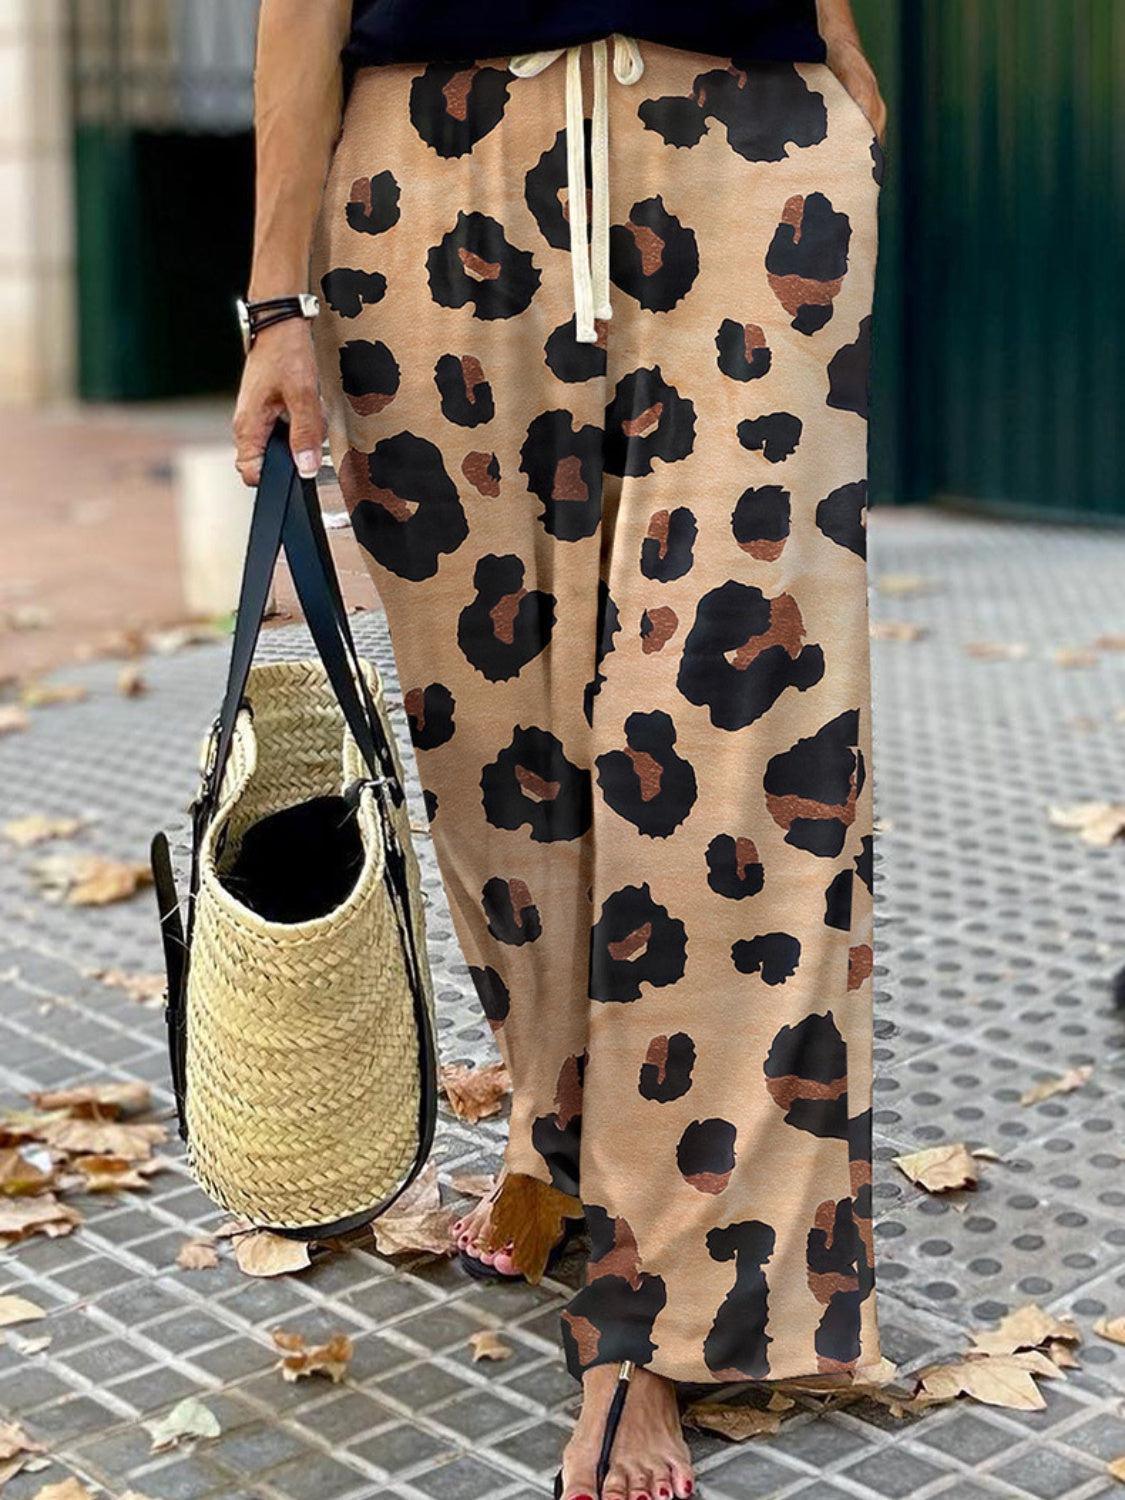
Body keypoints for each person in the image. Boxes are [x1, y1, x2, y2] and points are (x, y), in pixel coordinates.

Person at [235, 3, 886, 1495]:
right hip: (428, 169)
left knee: (737, 740)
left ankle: (649, 1318)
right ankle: (566, 1138)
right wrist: (275, 305)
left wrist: (841, 50)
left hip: (743, 146)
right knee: (498, 753)